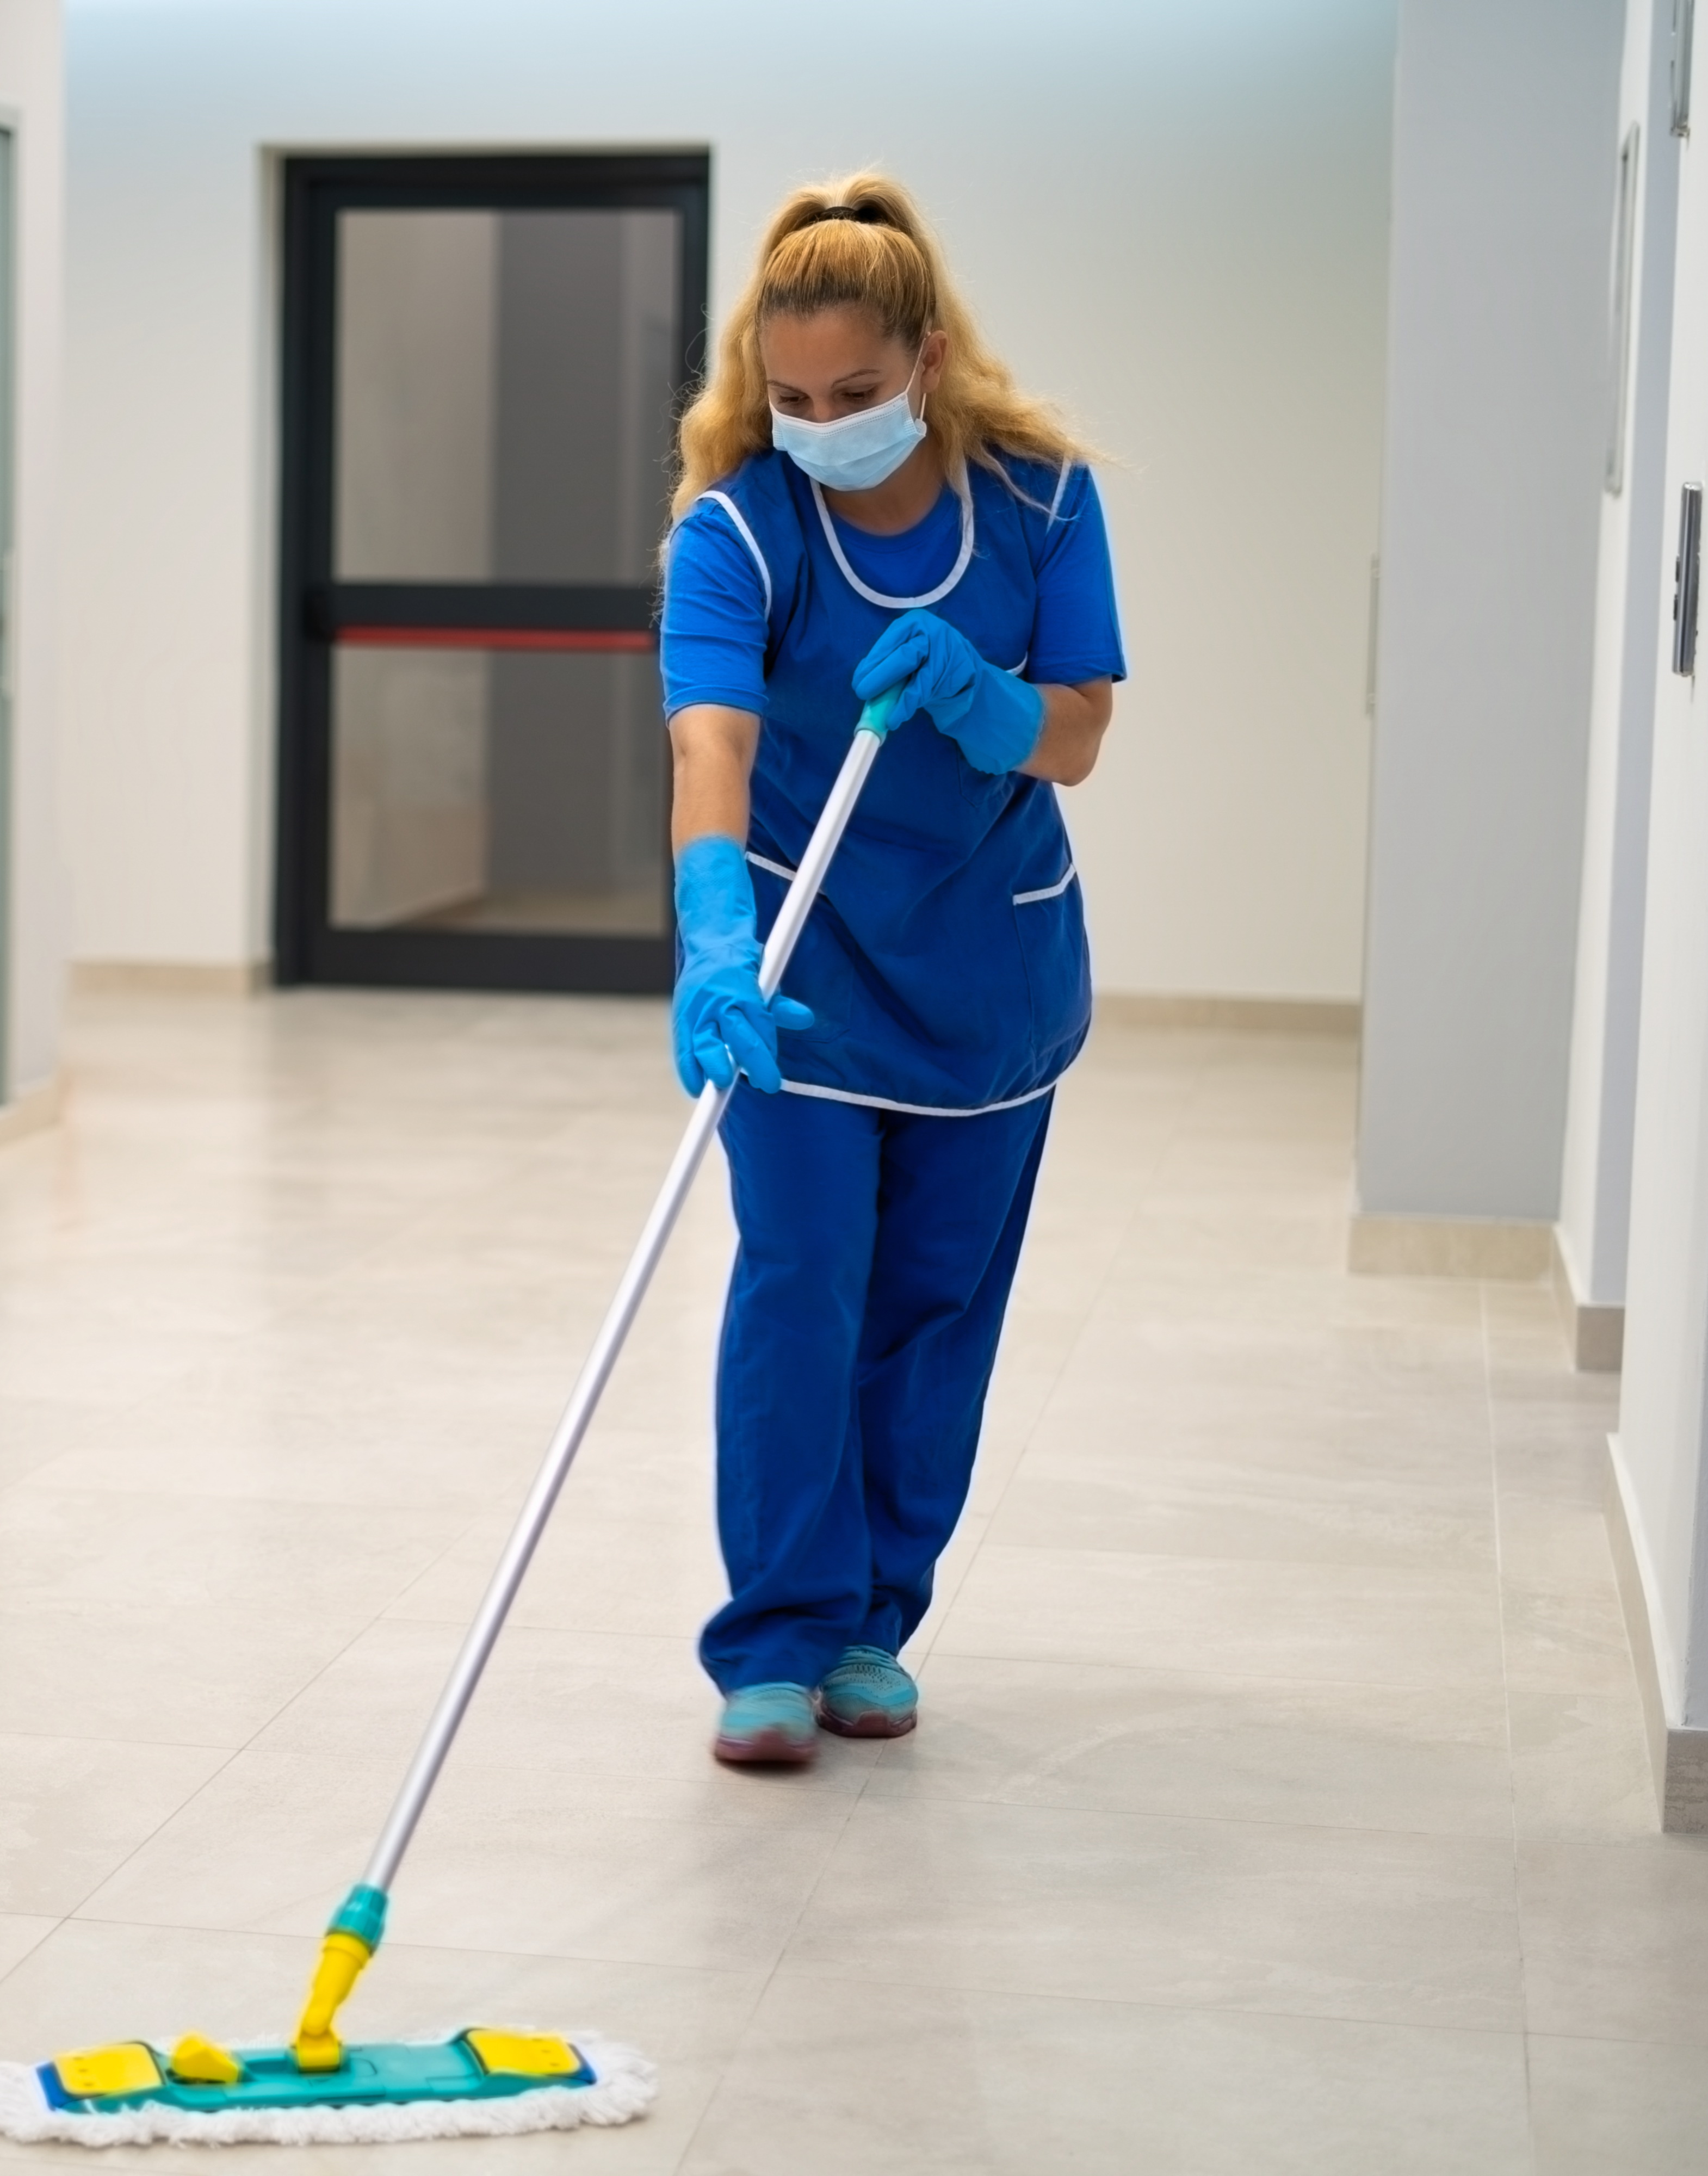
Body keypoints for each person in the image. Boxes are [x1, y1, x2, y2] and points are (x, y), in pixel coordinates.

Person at [659, 173, 1123, 1766]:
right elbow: (711, 736)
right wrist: (716, 931)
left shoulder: (1046, 502)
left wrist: (993, 700)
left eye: (855, 393)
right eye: (792, 398)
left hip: (990, 968)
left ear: (926, 359)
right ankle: (775, 1640)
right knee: (801, 1288)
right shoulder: (738, 526)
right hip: (798, 962)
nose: (822, 421)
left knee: (934, 1307)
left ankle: (873, 1620)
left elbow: (1079, 729)